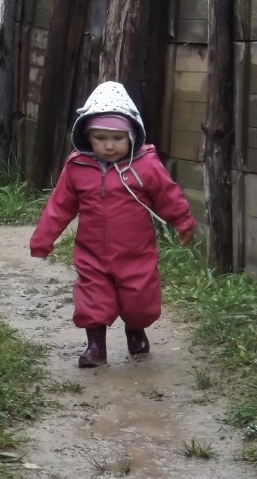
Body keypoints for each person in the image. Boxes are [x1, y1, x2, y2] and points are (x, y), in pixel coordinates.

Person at [29, 81, 196, 367]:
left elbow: (167, 194)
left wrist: (182, 219)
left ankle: (135, 329)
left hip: (136, 253)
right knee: (92, 300)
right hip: (92, 253)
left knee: (140, 303)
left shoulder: (144, 165)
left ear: (132, 135)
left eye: (118, 138)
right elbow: (59, 207)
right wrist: (43, 239)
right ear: (87, 136)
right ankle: (95, 347)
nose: (109, 145)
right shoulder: (78, 167)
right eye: (100, 138)